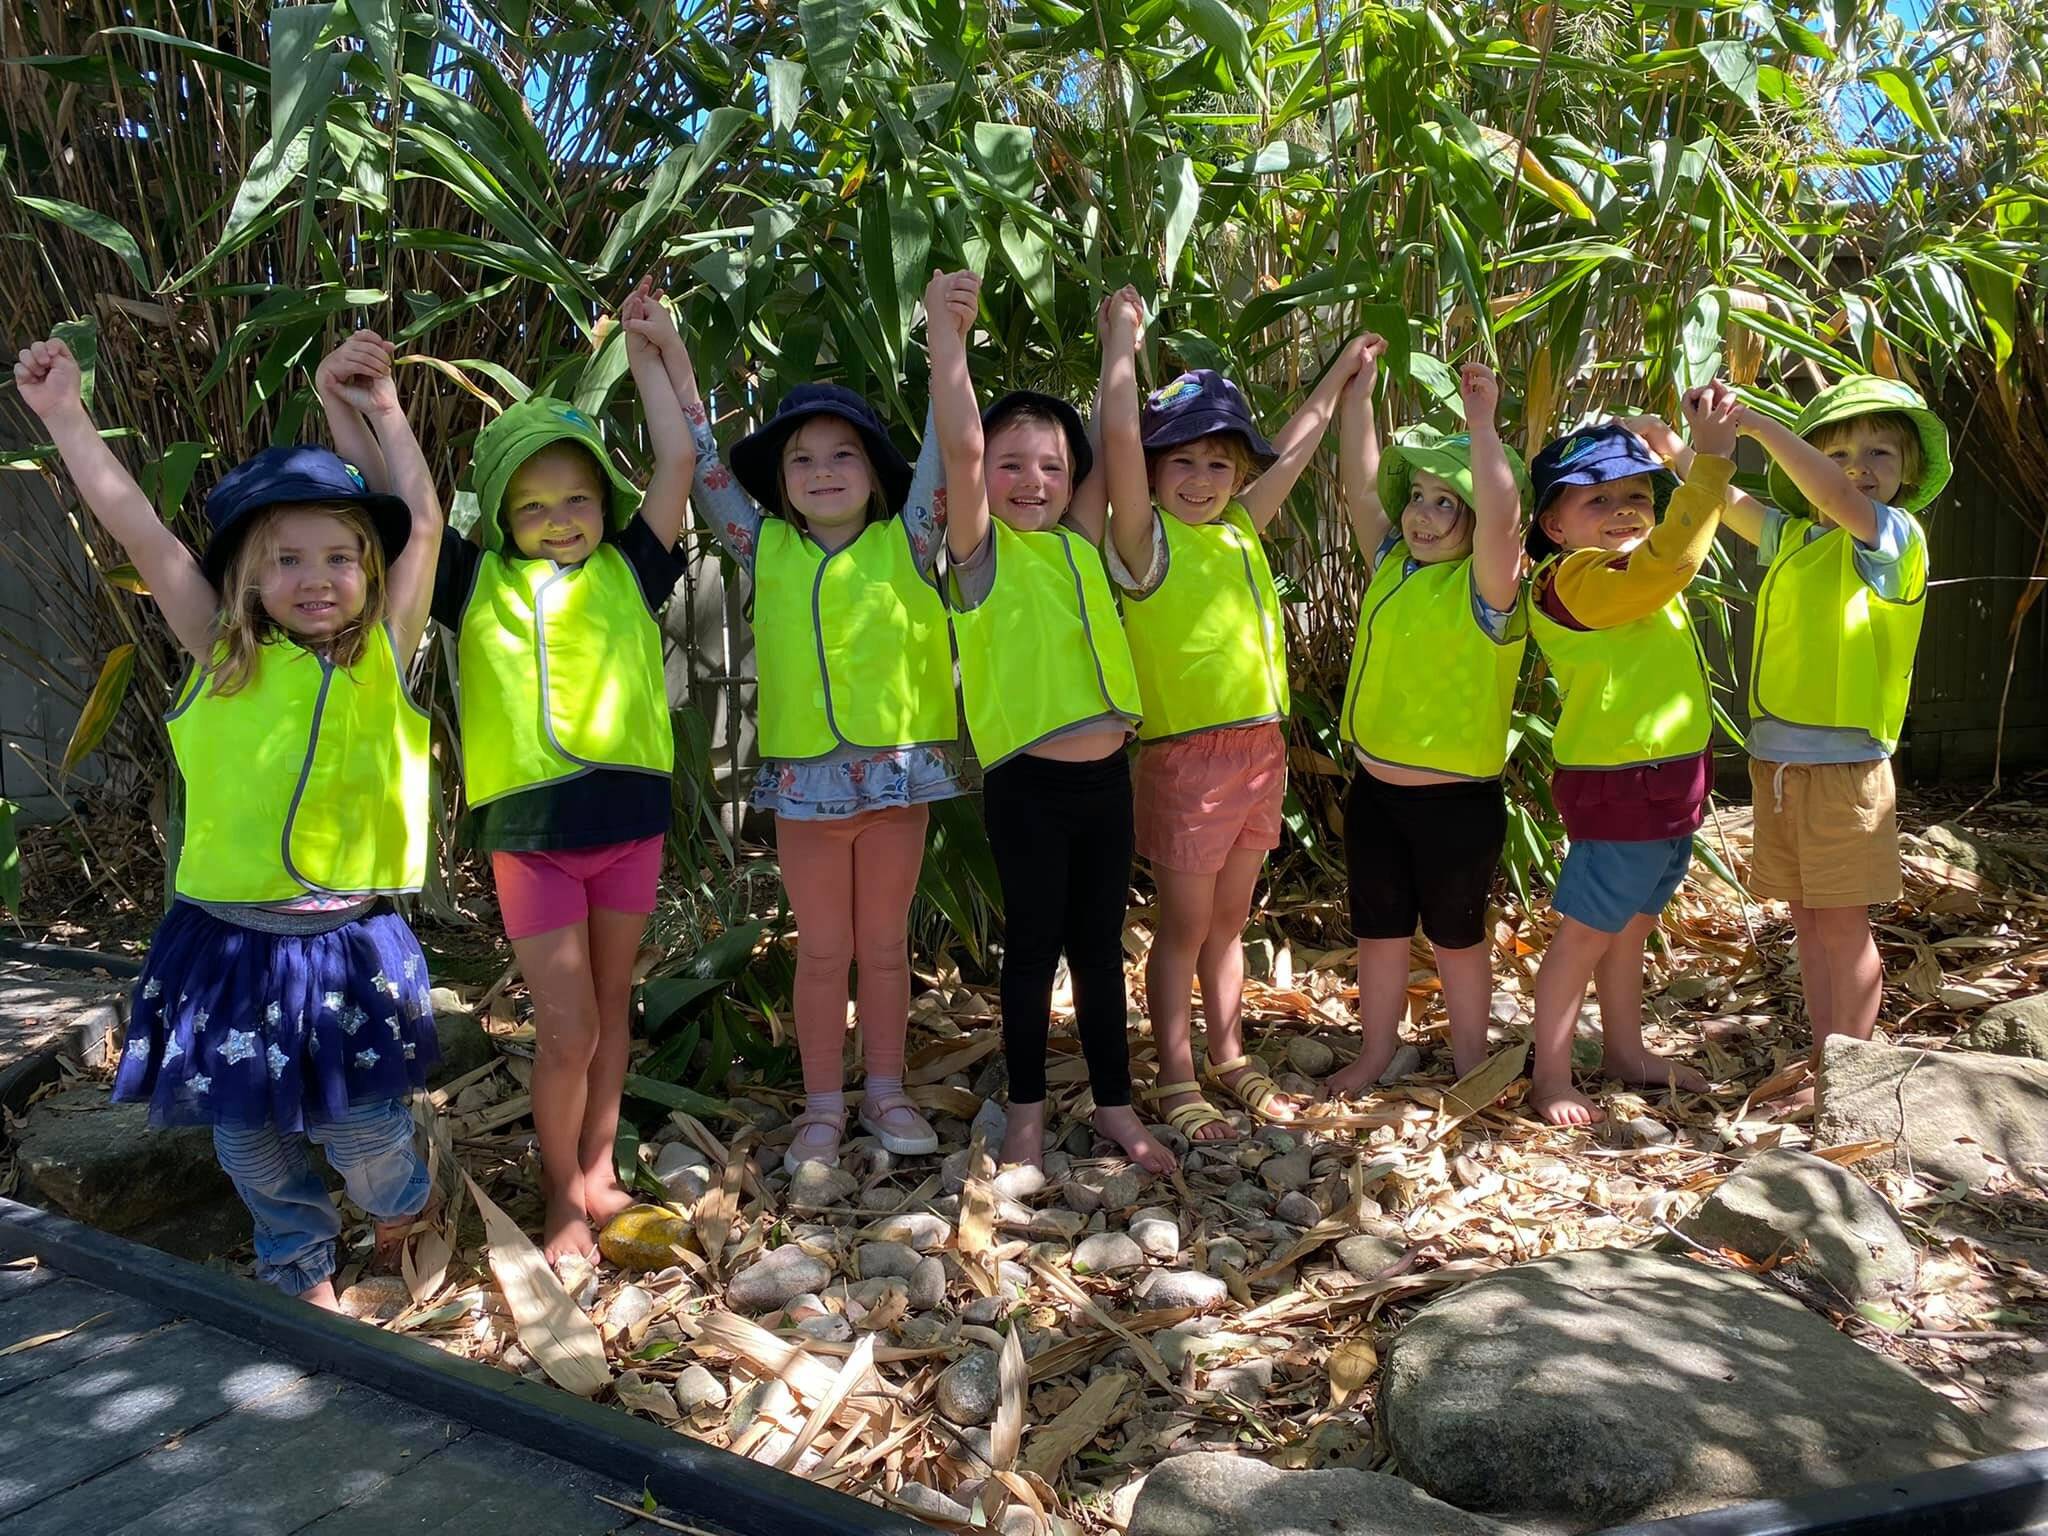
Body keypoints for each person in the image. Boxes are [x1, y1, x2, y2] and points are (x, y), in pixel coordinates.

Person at [15, 332, 443, 1307]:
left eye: (339, 557)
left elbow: (421, 520)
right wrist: (66, 416)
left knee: (362, 1129)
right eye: (286, 559)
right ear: (247, 576)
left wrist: (384, 409)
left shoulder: (382, 654)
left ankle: (402, 1205)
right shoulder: (222, 652)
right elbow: (139, 530)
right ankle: (297, 1259)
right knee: (246, 1136)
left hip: (347, 944)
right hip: (228, 949)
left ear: (370, 571)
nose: (316, 576)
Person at [317, 282, 693, 1263]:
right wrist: (355, 405)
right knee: (566, 1028)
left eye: (576, 499)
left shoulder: (631, 566)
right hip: (533, 840)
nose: (559, 519)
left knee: (612, 1012)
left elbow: (679, 460)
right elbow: (393, 511)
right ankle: (561, 1198)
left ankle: (598, 1171)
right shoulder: (473, 580)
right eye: (532, 505)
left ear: (603, 503)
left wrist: (651, 351)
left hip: (630, 823)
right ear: (501, 515)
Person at [635, 301, 963, 1171]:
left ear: (875, 471)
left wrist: (947, 343)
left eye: (843, 453)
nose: (822, 471)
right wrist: (669, 349)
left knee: (884, 947)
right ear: (780, 483)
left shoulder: (912, 539)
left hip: (896, 778)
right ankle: (823, 1105)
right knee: (821, 952)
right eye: (802, 459)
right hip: (807, 789)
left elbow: (947, 449)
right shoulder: (762, 547)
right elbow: (704, 464)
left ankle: (886, 1090)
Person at [1098, 286, 1369, 1143]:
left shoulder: (1240, 528)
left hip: (1259, 753)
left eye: (1219, 464)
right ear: (1151, 472)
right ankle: (1174, 1074)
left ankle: (1227, 1054)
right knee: (1183, 927)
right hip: (1187, 760)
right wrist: (1120, 345)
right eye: (1181, 462)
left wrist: (1340, 374)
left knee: (1228, 923)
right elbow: (1117, 439)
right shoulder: (1144, 543)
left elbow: (1295, 447)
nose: (1202, 480)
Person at [1630, 376, 1947, 1099]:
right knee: (1807, 920)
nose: (1857, 467)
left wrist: (1759, 426)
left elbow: (1837, 495)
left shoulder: (1892, 539)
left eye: (1878, 453)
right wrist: (1673, 447)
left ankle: (1849, 1076)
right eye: (1839, 452)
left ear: (1909, 470)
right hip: (1779, 762)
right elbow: (1734, 505)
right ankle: (1826, 1053)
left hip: (1844, 769)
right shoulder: (1802, 538)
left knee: (1841, 925)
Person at [922, 269, 1170, 1174]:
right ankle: (1024, 1113)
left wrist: (1120, 344)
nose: (1034, 481)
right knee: (1030, 952)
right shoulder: (981, 553)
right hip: (1027, 786)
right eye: (1013, 465)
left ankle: (1114, 1106)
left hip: (1106, 784)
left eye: (1052, 467)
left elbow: (1117, 436)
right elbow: (959, 447)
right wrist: (946, 339)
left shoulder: (1080, 540)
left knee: (1099, 952)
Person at [1523, 384, 1743, 1126]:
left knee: (1632, 926)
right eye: (1598, 498)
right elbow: (1667, 562)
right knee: (1586, 934)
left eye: (1637, 495)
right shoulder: (1574, 580)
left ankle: (1624, 1050)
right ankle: (1552, 1076)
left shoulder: (1622, 570)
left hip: (1670, 783)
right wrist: (1708, 462)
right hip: (1621, 787)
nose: (1623, 509)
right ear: (1554, 525)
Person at [1327, 353, 1530, 1097]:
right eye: (1417, 496)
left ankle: (1472, 1061)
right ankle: (1376, 1051)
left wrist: (1482, 426)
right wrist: (1358, 401)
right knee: (1378, 931)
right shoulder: (1393, 562)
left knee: (1457, 935)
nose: (1421, 514)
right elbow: (1359, 487)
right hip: (1376, 794)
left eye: (1447, 502)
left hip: (1457, 805)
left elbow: (1503, 522)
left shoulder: (1488, 592)